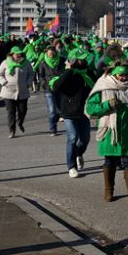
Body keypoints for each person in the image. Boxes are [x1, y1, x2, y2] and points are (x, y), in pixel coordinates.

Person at [85, 65, 128, 206]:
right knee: (110, 162)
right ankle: (108, 191)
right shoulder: (103, 86)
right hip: (110, 131)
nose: (124, 78)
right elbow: (90, 108)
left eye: (127, 75)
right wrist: (107, 105)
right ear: (114, 75)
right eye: (121, 76)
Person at [50, 49, 94, 178]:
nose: (83, 61)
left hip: (84, 111)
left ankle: (78, 154)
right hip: (68, 111)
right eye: (80, 59)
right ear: (74, 60)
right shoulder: (64, 72)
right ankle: (71, 166)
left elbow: (96, 86)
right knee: (73, 137)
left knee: (84, 139)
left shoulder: (88, 73)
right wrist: (69, 71)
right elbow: (56, 86)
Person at [0, 46, 35, 138]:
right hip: (8, 91)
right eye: (16, 53)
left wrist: (28, 83)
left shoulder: (26, 63)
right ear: (12, 54)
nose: (18, 55)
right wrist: (4, 82)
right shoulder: (5, 63)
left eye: (20, 53)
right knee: (11, 112)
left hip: (23, 91)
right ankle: (12, 130)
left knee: (23, 111)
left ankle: (20, 122)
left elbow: (31, 74)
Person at [37, 46, 64, 136]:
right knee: (52, 110)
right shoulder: (43, 62)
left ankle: (55, 120)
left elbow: (66, 71)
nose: (51, 55)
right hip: (49, 89)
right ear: (47, 53)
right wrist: (44, 84)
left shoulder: (61, 60)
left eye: (52, 53)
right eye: (49, 53)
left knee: (59, 110)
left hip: (60, 87)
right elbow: (41, 75)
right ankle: (53, 129)